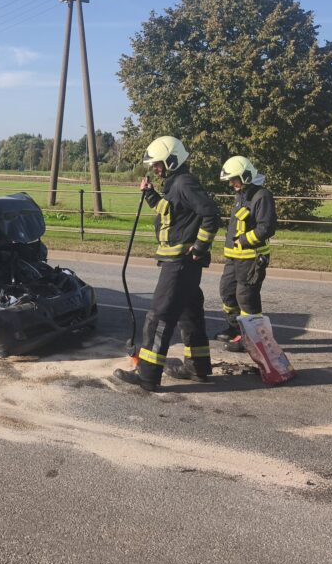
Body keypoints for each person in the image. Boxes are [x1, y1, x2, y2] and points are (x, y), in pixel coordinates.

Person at [113, 136, 221, 392]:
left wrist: (200, 246)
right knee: (190, 313)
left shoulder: (184, 183)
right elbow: (172, 212)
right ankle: (197, 367)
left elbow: (211, 214)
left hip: (180, 263)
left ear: (172, 159)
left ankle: (148, 375)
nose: (155, 169)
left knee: (158, 316)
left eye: (159, 164)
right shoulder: (175, 185)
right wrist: (150, 195)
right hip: (181, 263)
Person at [215, 156, 277, 352]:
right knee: (227, 292)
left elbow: (266, 228)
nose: (232, 183)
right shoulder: (242, 194)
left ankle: (252, 340)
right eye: (231, 179)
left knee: (246, 299)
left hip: (252, 259)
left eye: (235, 179)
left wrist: (242, 241)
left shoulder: (261, 196)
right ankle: (236, 329)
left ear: (246, 175)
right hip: (235, 258)